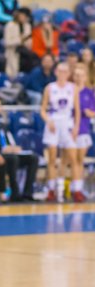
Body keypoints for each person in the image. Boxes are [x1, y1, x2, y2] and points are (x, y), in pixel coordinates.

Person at [0, 96, 39, 202]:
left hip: (9, 153)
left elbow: (8, 140)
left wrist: (14, 148)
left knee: (33, 158)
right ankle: (15, 193)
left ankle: (28, 193)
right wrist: (2, 149)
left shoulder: (4, 125)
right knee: (13, 159)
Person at [41, 62, 80, 203]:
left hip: (68, 124)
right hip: (53, 123)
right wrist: (48, 121)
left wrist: (76, 127)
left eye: (65, 71)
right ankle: (51, 189)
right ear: (56, 72)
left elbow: (77, 110)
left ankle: (76, 190)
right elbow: (42, 109)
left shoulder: (73, 88)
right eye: (60, 70)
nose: (62, 73)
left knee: (72, 159)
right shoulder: (50, 88)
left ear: (69, 73)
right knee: (52, 159)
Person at [70, 63, 93, 202]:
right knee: (71, 161)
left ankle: (78, 188)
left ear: (85, 77)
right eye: (76, 75)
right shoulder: (69, 90)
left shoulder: (89, 93)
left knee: (79, 160)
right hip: (68, 130)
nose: (78, 78)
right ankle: (72, 188)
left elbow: (92, 112)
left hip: (83, 129)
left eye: (81, 75)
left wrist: (89, 113)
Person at [3, 7, 32, 77]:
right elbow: (7, 42)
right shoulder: (10, 25)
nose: (23, 18)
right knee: (13, 66)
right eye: (21, 15)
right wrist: (20, 40)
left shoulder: (27, 26)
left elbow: (29, 39)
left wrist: (28, 43)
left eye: (25, 16)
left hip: (25, 51)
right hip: (13, 50)